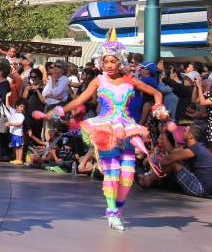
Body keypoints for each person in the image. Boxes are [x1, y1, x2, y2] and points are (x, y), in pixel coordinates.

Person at [48, 34, 162, 232]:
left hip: (127, 129)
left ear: (121, 62)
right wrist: (61, 110)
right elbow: (80, 99)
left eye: (113, 61)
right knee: (113, 172)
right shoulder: (99, 81)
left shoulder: (131, 81)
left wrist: (159, 108)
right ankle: (112, 212)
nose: (109, 65)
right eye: (106, 61)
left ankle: (117, 210)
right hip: (106, 129)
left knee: (128, 176)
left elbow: (157, 93)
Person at [156, 123, 212, 198]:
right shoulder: (195, 147)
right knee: (177, 162)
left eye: (185, 131)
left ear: (190, 136)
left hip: (202, 189)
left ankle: (148, 180)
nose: (182, 132)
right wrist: (163, 133)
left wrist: (155, 165)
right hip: (203, 187)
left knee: (174, 164)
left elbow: (170, 158)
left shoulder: (195, 149)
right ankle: (154, 180)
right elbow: (171, 150)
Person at [6, 99, 26, 164]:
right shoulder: (13, 111)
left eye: (23, 107)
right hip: (13, 133)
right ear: (17, 106)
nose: (22, 108)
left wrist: (10, 124)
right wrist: (7, 97)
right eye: (21, 106)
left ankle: (19, 159)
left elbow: (19, 124)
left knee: (19, 147)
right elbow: (7, 105)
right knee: (15, 146)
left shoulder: (21, 116)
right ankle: (17, 159)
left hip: (18, 134)